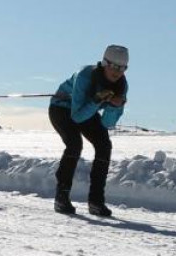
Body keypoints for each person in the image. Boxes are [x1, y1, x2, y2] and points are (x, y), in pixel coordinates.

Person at [49, 45, 129, 216]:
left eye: (122, 68)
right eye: (114, 66)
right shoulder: (85, 75)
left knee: (104, 144)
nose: (117, 72)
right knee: (74, 144)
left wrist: (115, 107)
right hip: (61, 108)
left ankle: (96, 201)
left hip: (87, 110)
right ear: (104, 63)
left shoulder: (122, 86)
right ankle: (61, 197)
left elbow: (107, 123)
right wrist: (96, 100)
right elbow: (77, 116)